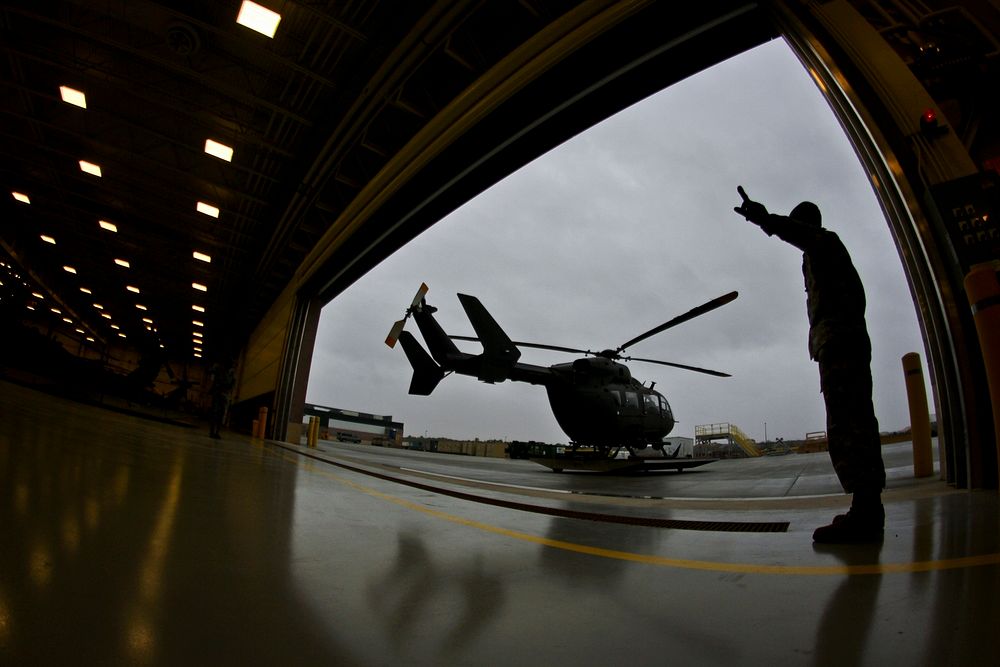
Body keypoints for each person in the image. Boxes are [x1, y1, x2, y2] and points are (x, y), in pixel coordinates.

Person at [733, 185, 886, 543]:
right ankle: (866, 509)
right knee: (850, 422)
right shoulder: (820, 255)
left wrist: (765, 219)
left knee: (850, 425)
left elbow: (798, 233)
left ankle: (866, 514)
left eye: (796, 224)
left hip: (840, 345)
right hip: (837, 346)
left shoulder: (824, 243)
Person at [207, 361, 236, 439]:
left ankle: (216, 432)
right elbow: (210, 371)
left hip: (224, 394)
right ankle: (212, 432)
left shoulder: (231, 373)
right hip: (218, 392)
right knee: (215, 413)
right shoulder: (219, 369)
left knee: (220, 413)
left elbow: (232, 383)